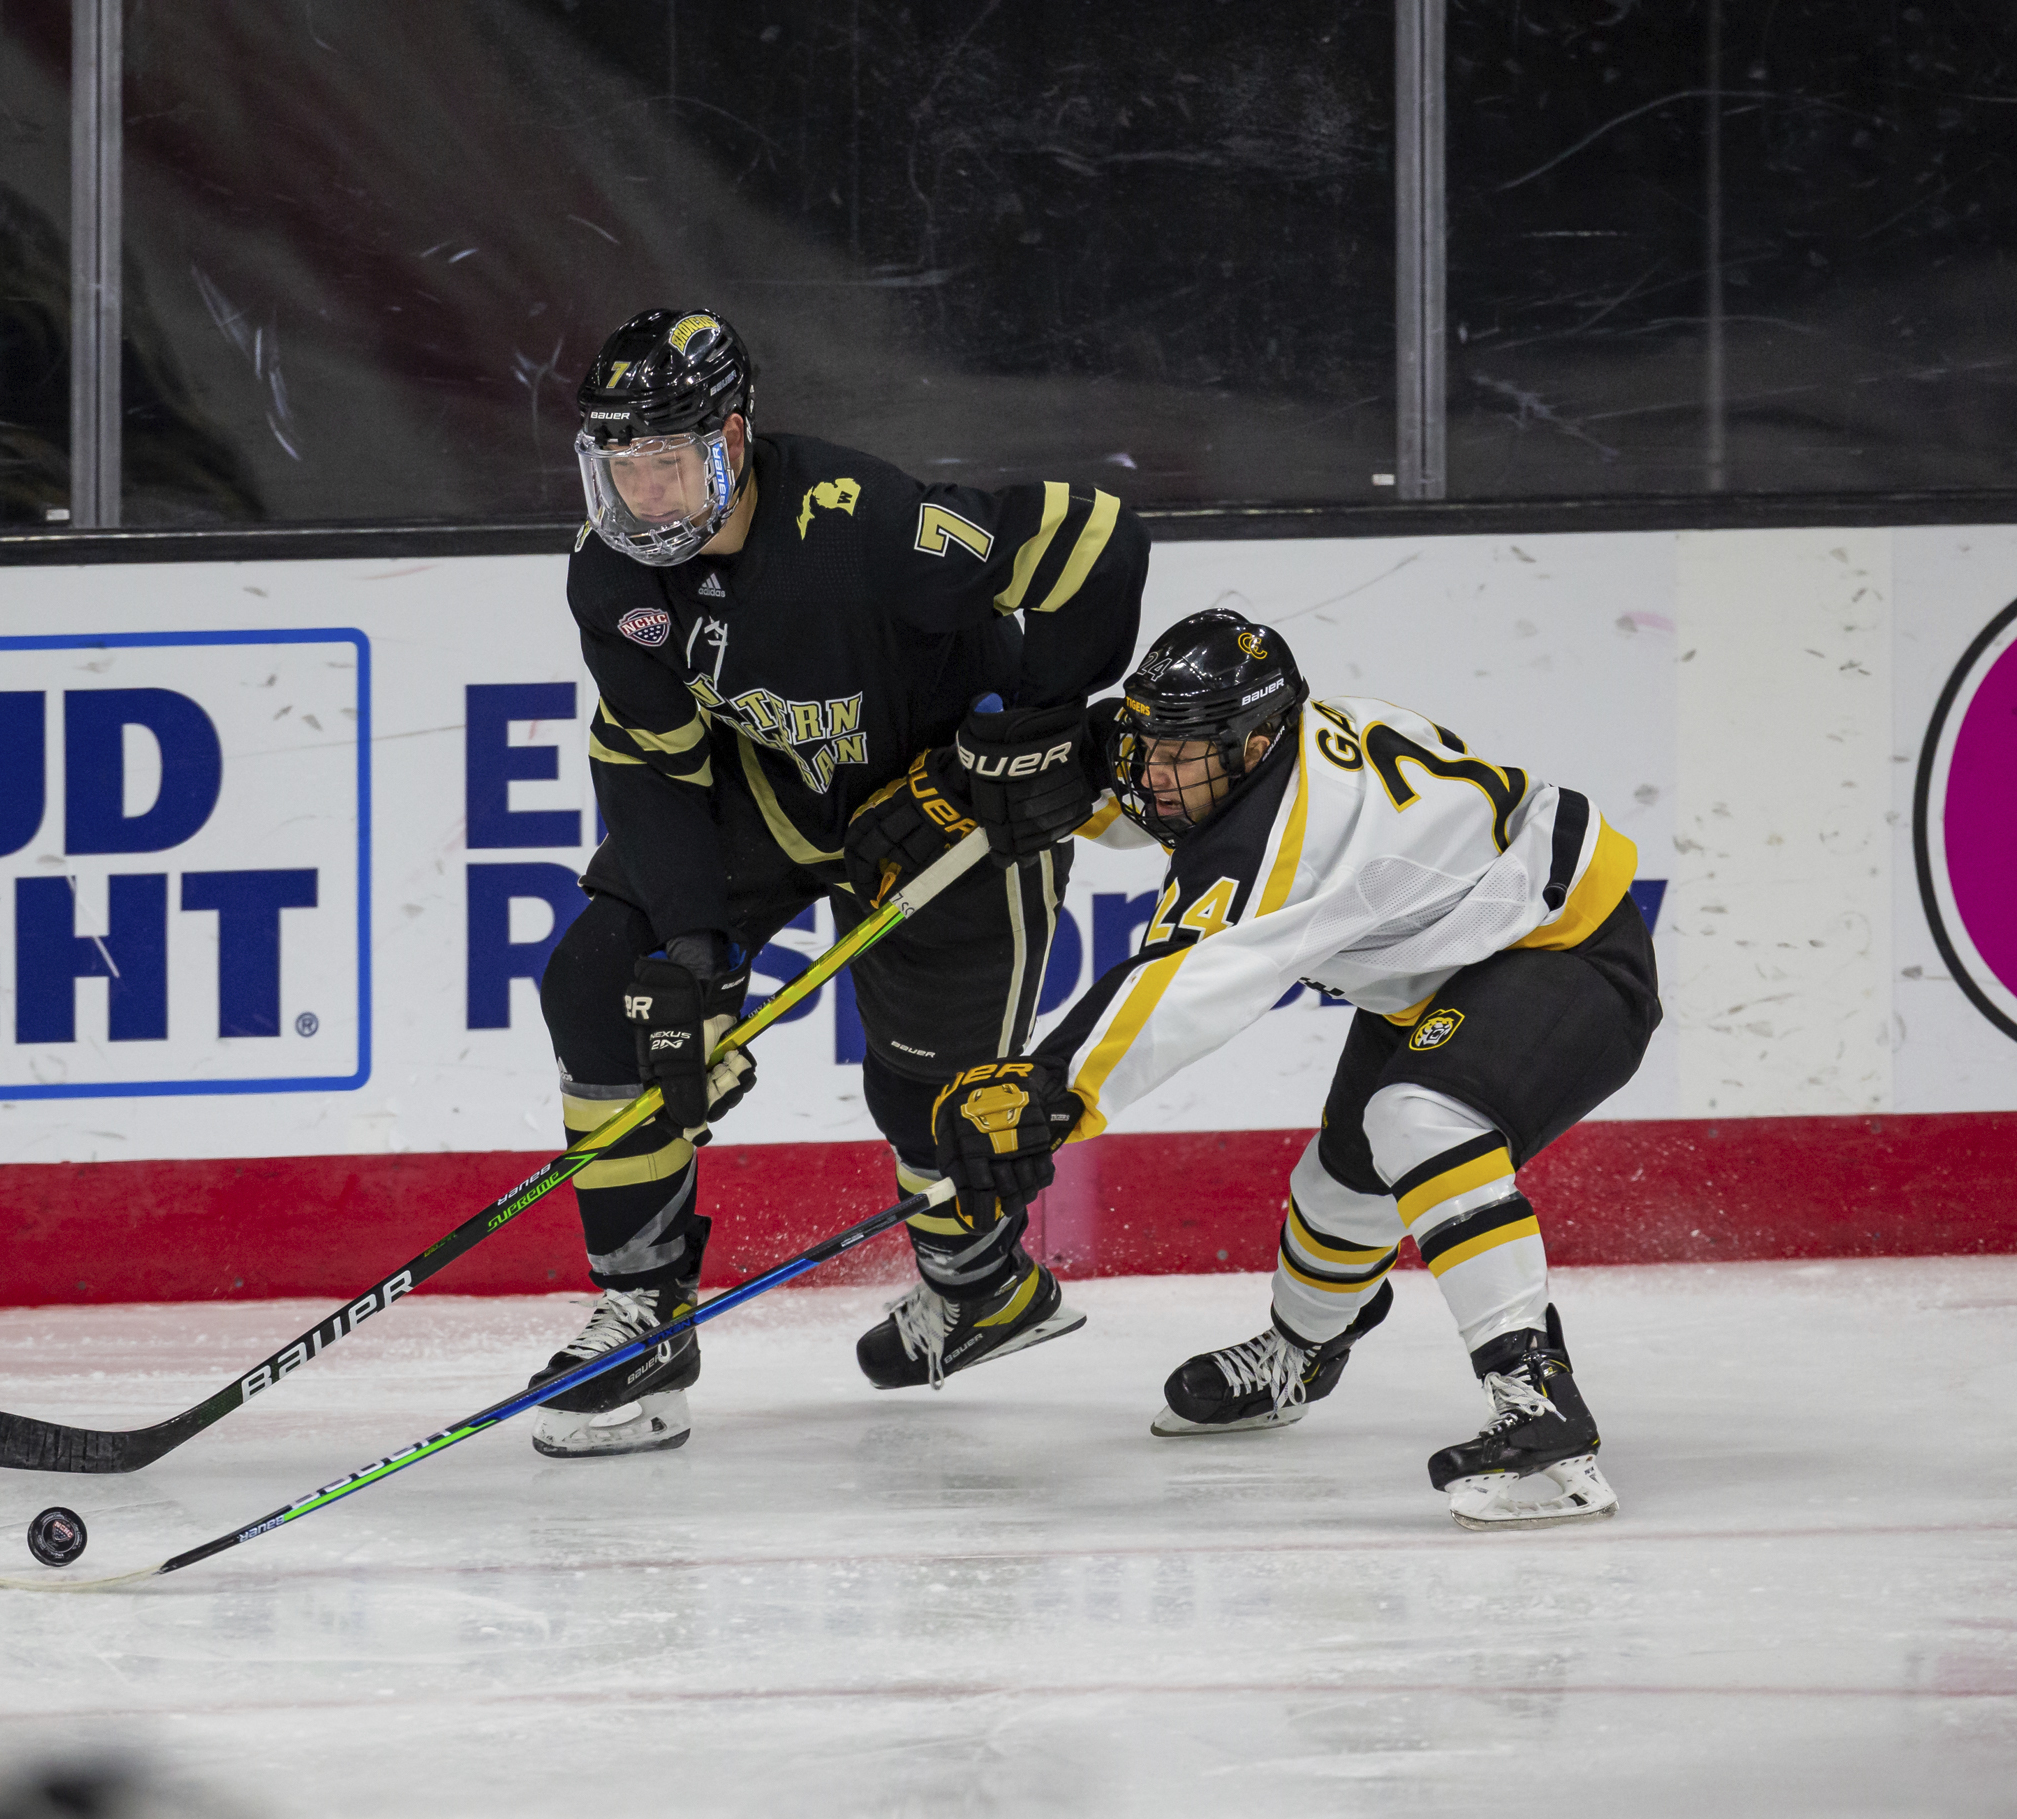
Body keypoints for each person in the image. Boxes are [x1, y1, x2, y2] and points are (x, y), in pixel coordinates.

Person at [530, 306, 1150, 1457]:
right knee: (604, 984)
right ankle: (646, 1321)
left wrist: (1029, 735)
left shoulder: (864, 523)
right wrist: (696, 956)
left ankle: (980, 1292)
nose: (644, 497)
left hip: (944, 806)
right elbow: (650, 769)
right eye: (622, 467)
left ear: (731, 436)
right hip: (769, 795)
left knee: (930, 1098)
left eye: (667, 463)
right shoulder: (608, 572)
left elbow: (1094, 535)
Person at [929, 610, 1662, 1528]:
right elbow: (1157, 781)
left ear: (1256, 741)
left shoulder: (1279, 845)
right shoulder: (1258, 755)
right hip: (1441, 963)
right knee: (1341, 1183)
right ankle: (1298, 1355)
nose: (1155, 774)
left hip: (1568, 949)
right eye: (1149, 744)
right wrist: (1080, 789)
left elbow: (1180, 985)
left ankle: (1540, 1407)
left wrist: (1049, 1091)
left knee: (1418, 1117)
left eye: (1180, 753)